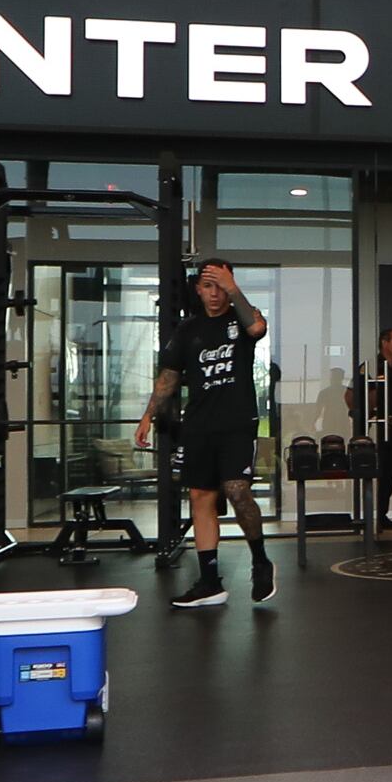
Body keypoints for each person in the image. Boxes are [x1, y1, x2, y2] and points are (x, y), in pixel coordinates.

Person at [136, 260, 274, 608]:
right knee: (201, 497)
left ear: (229, 285)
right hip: (198, 425)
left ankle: (260, 560)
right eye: (207, 286)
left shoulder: (243, 316)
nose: (214, 294)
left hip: (237, 424)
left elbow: (257, 329)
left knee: (237, 490)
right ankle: (210, 581)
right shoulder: (187, 330)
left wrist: (233, 288)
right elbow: (168, 378)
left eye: (220, 285)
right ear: (197, 290)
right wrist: (147, 416)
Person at [357, 326, 392, 531]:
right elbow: (354, 396)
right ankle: (369, 514)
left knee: (390, 473)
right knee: (376, 471)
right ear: (384, 343)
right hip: (378, 428)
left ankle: (383, 514)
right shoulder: (371, 367)